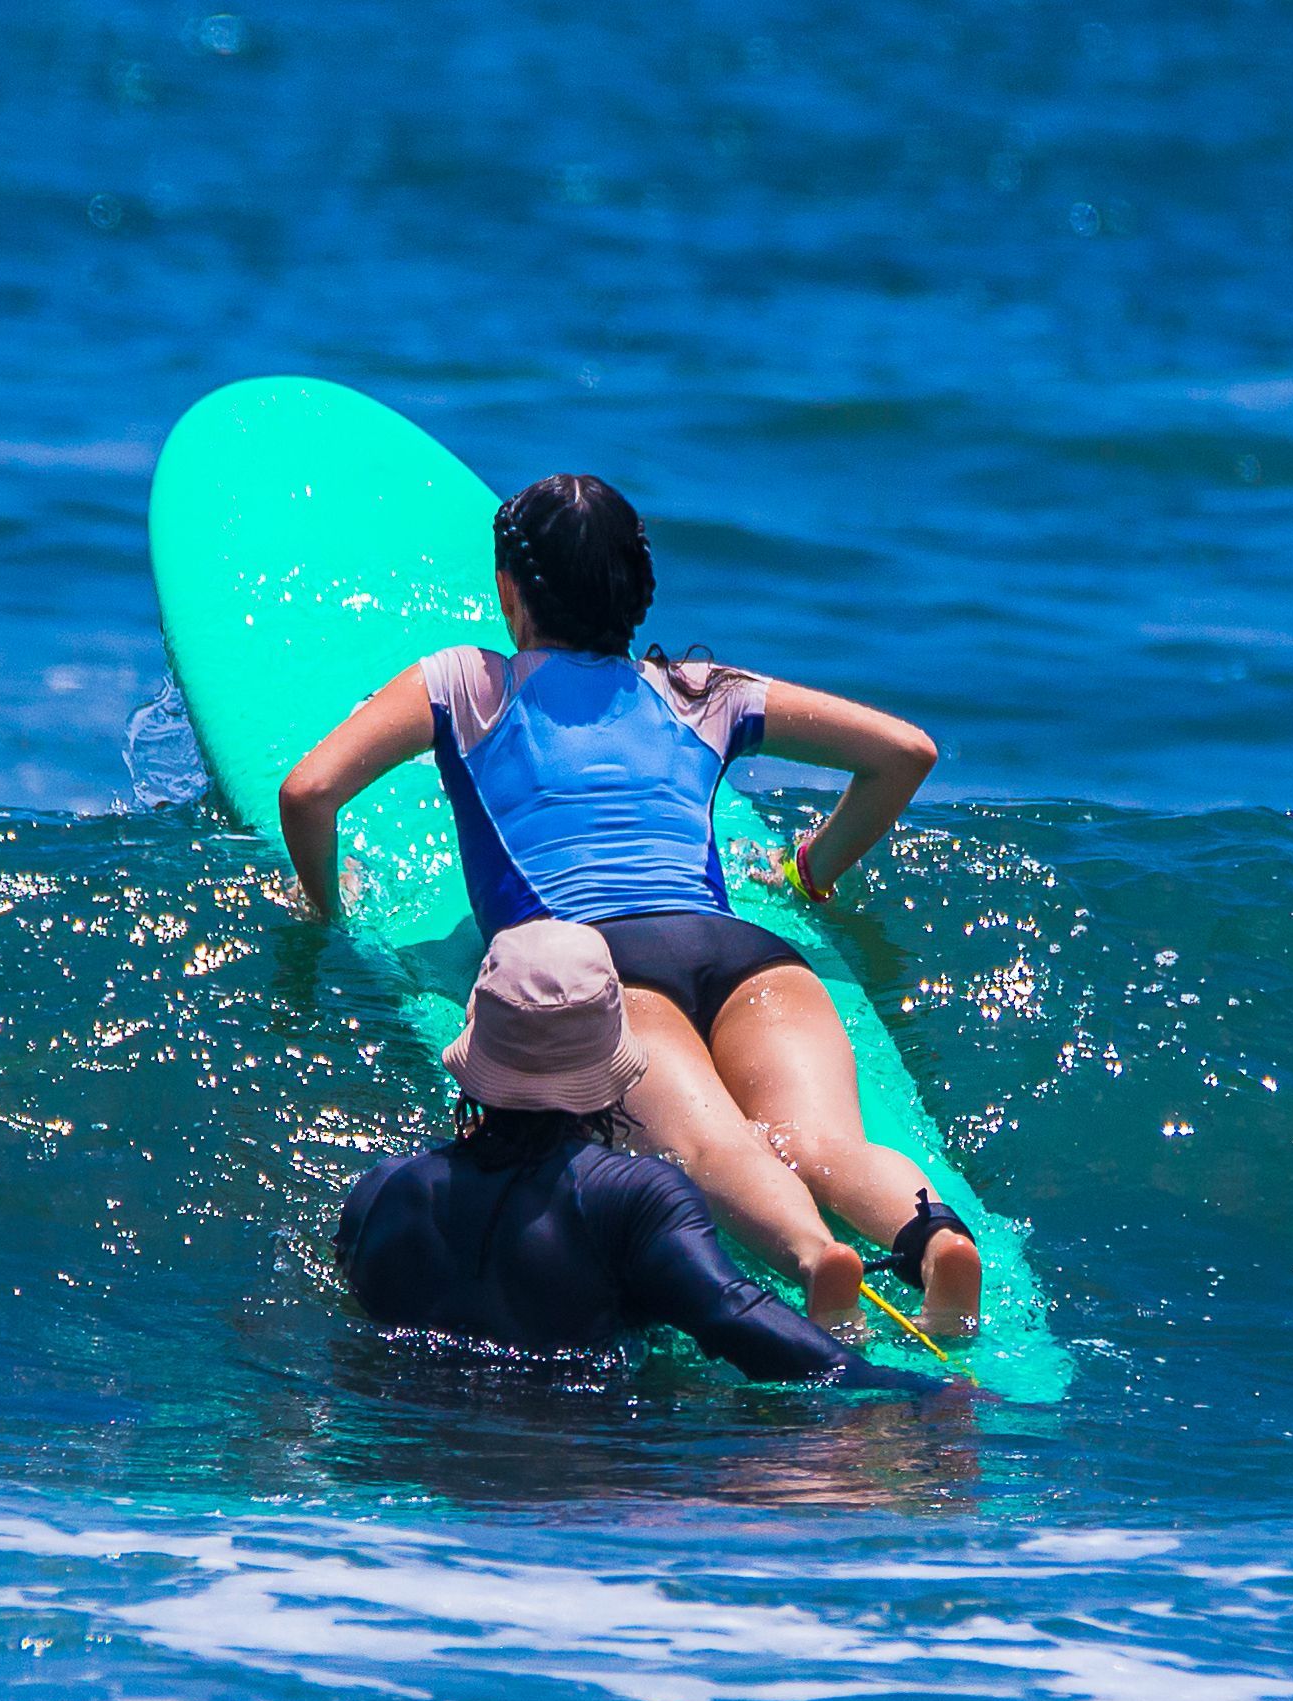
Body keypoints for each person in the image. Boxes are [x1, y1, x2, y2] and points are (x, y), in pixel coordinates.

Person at [284, 472, 983, 1338]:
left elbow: (308, 791)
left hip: (602, 965)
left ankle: (814, 1259)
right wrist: (808, 871)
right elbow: (905, 752)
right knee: (821, 1140)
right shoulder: (699, 690)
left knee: (714, 1147)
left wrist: (325, 910)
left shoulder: (464, 683)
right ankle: (931, 1235)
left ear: (510, 593)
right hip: (746, 953)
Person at [336, 920, 937, 1391]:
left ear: (477, 1053)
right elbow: (738, 1319)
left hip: (422, 1456)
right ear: (609, 1065)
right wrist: (909, 1395)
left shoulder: (382, 1192)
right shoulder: (635, 1198)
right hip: (603, 1468)